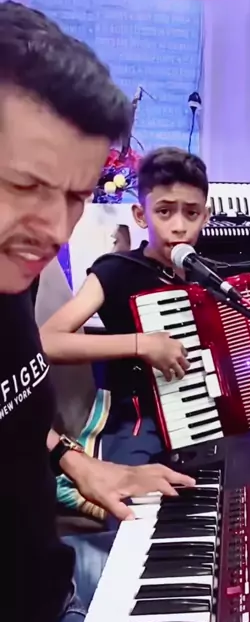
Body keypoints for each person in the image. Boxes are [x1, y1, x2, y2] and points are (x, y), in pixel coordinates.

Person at [0, 1, 195, 622]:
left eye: (77, 194)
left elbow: (14, 407)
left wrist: (75, 459)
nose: (55, 230)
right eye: (24, 184)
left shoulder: (11, 284)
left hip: (58, 586)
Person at [41, 147, 211, 465]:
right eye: (164, 211)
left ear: (206, 216)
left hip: (208, 411)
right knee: (134, 489)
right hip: (138, 417)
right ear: (140, 215)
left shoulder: (213, 276)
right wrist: (140, 344)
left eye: (191, 213)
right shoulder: (115, 271)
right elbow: (47, 341)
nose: (179, 226)